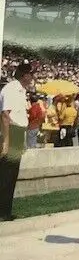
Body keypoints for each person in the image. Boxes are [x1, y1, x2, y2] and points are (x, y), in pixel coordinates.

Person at [0, 60, 35, 222]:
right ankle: (2, 211)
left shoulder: (20, 90)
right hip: (11, 132)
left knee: (12, 174)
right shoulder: (12, 89)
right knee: (6, 173)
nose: (32, 77)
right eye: (30, 74)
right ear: (24, 75)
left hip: (18, 132)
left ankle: (6, 210)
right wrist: (7, 141)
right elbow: (5, 115)